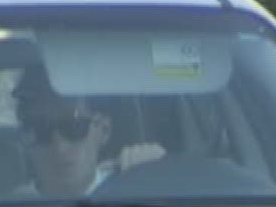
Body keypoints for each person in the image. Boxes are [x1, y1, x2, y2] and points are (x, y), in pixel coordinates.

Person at [11, 66, 165, 199]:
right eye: (40, 130)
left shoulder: (138, 191)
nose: (59, 147)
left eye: (74, 127)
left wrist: (158, 170)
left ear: (104, 130)